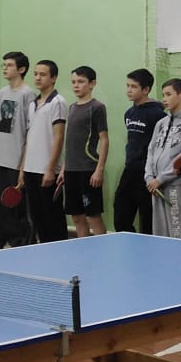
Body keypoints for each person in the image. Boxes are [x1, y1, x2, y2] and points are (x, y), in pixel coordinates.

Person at [0, 51, 36, 248]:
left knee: (17, 208)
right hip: (0, 159)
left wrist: (24, 165)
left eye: (9, 65)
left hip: (16, 161)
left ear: (21, 69)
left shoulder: (28, 94)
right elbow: (0, 128)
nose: (5, 69)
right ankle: (0, 243)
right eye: (4, 65)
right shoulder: (2, 93)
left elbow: (30, 131)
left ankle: (20, 245)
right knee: (0, 206)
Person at [145, 78, 181, 239]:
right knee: (160, 231)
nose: (164, 99)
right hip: (155, 185)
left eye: (168, 94)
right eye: (163, 95)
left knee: (178, 229)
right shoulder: (161, 123)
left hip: (176, 183)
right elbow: (151, 150)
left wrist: (161, 178)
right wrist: (149, 177)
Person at [20, 59, 67, 243]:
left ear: (53, 78)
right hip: (30, 170)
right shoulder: (32, 104)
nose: (38, 78)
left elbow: (59, 137)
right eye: (36, 74)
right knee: (38, 218)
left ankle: (60, 252)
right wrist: (23, 168)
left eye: (43, 74)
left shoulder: (58, 102)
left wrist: (50, 168)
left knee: (52, 218)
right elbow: (30, 138)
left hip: (47, 171)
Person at [113, 68, 165, 233]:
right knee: (121, 212)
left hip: (148, 172)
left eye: (133, 86)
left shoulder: (158, 115)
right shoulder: (129, 113)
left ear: (146, 89)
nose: (129, 90)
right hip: (130, 169)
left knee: (147, 216)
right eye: (127, 85)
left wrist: (155, 174)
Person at [60, 65, 110, 237]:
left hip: (88, 170)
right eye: (73, 82)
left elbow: (104, 139)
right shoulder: (72, 108)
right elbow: (71, 143)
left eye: (81, 82)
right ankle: (83, 250)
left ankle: (102, 250)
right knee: (77, 217)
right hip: (71, 171)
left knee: (92, 216)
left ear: (92, 83)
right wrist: (64, 168)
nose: (76, 85)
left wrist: (99, 170)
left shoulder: (97, 107)